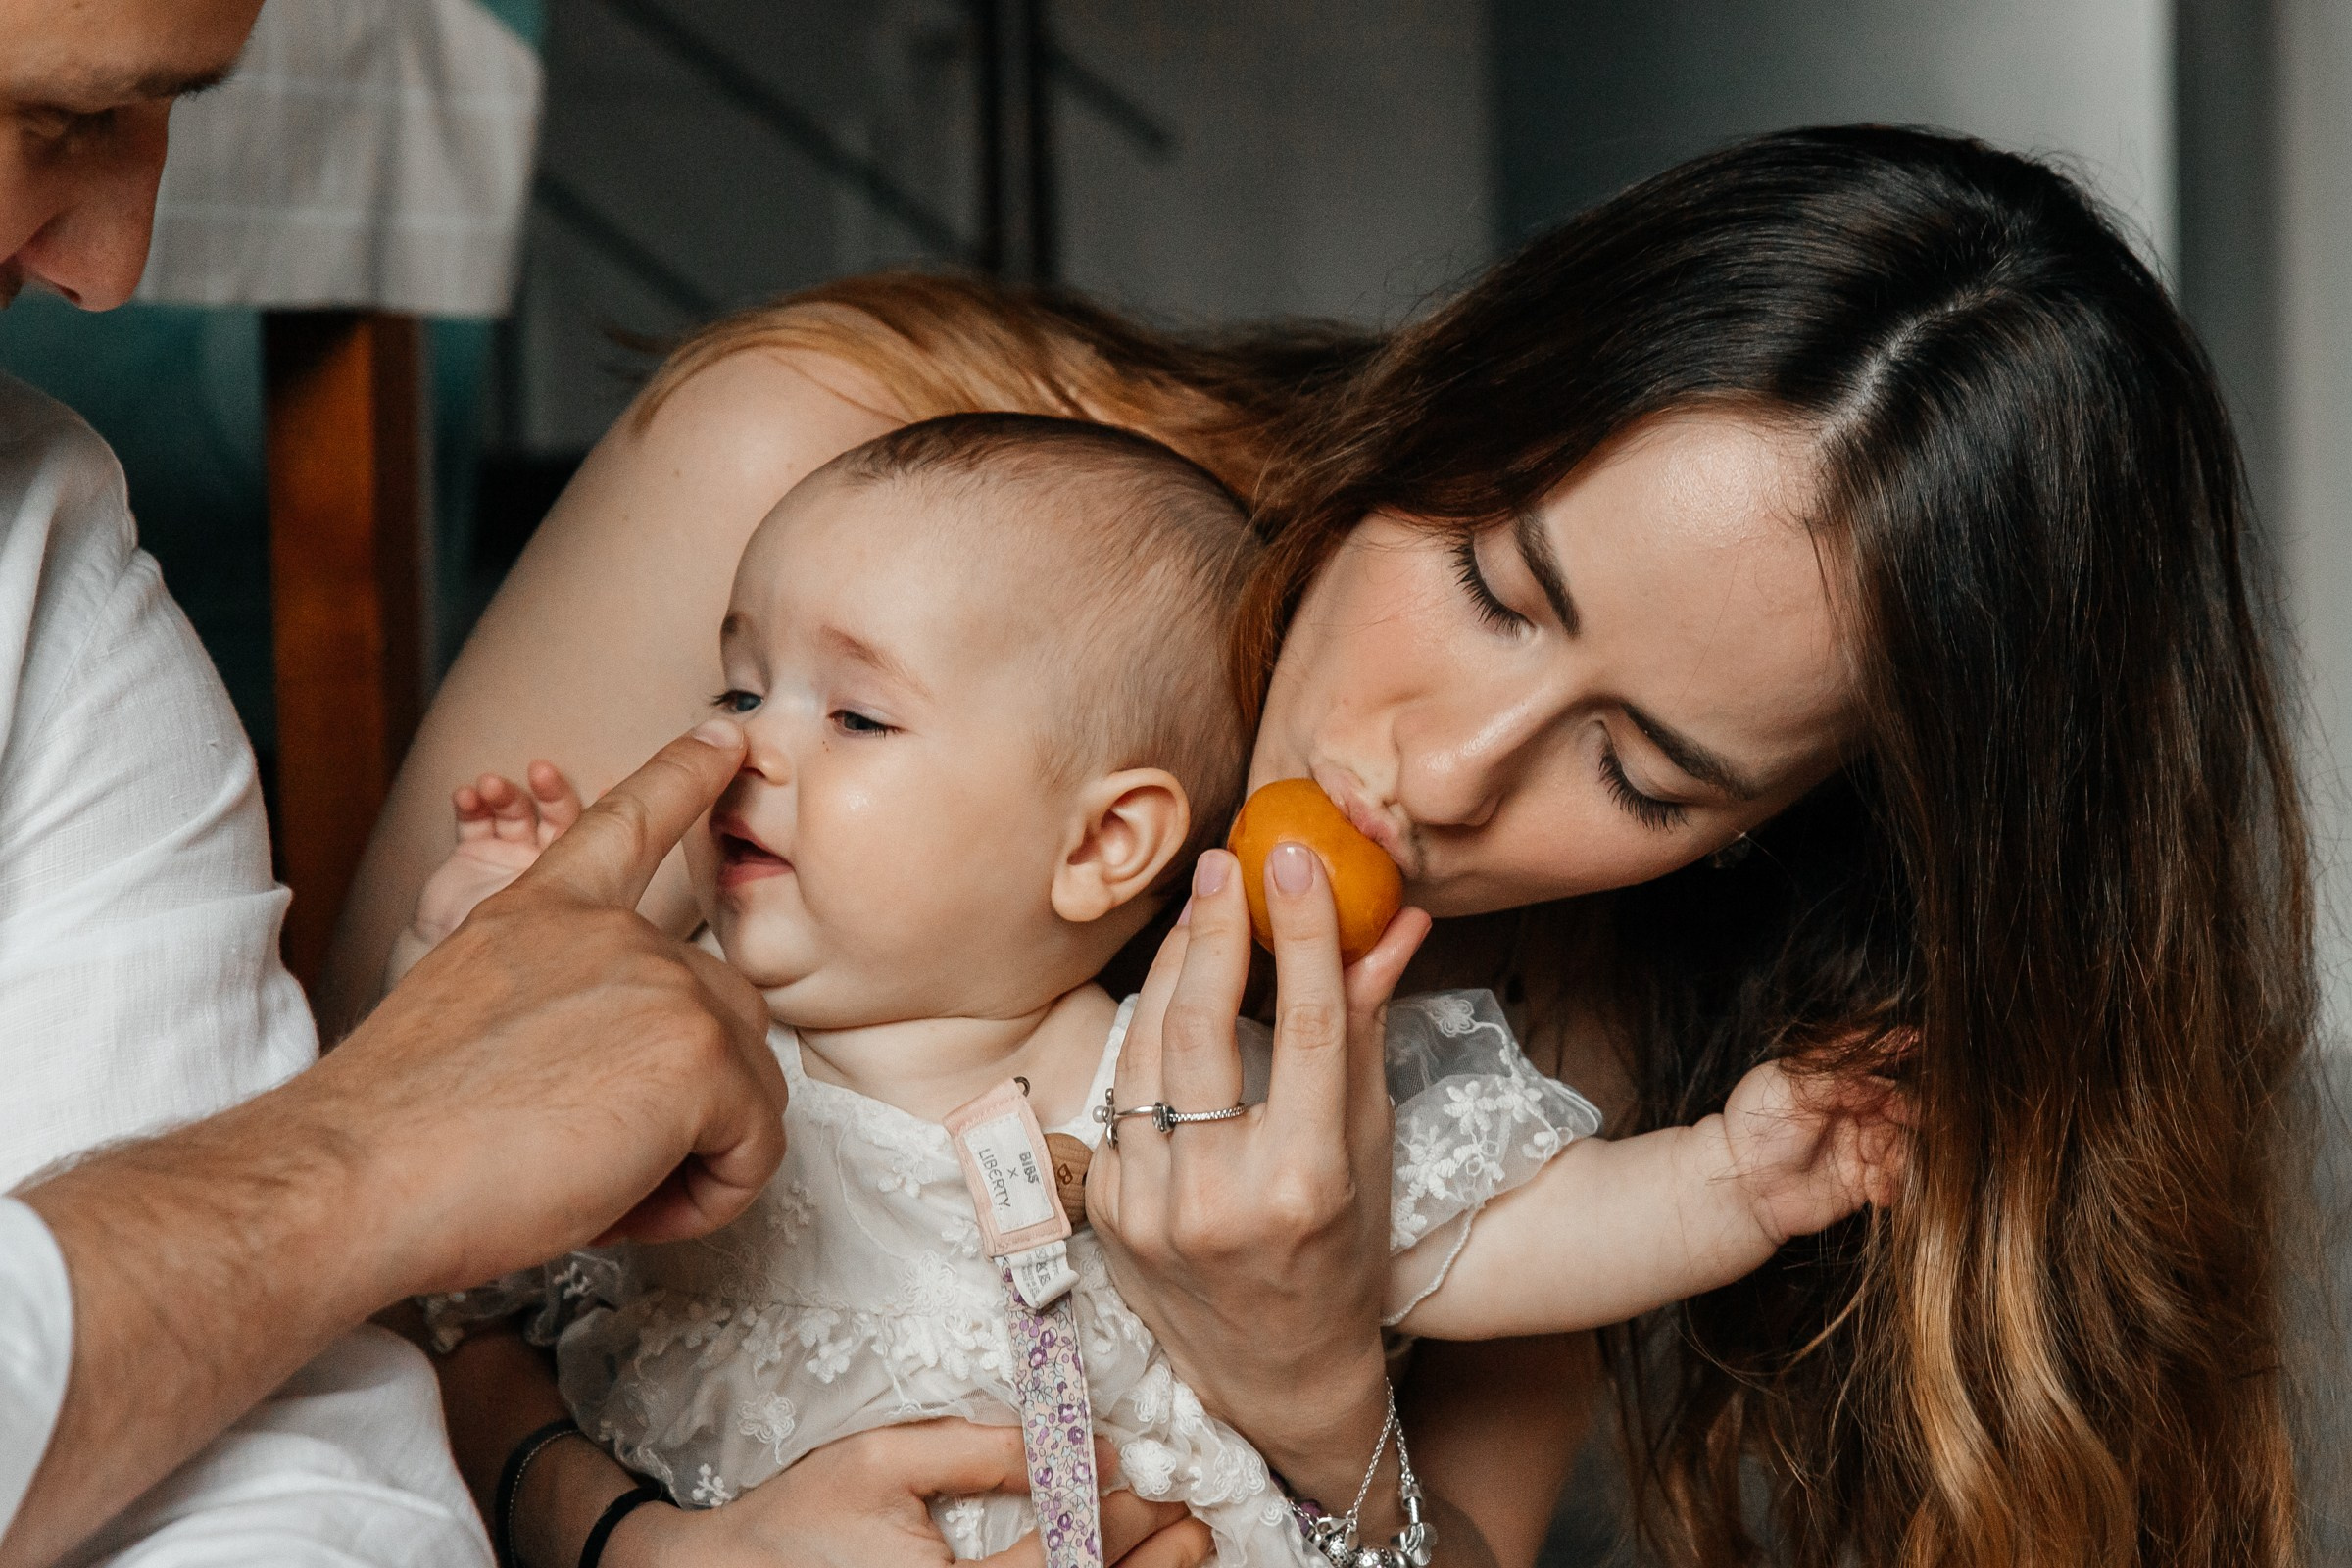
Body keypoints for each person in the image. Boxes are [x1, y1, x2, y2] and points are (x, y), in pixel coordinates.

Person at [331, 129, 2312, 1568]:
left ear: (1756, 836)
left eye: (1640, 773)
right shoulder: (823, 503)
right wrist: (633, 1543)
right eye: (1493, 585)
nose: (1442, 778)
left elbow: (1452, 1508)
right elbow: (348, 1258)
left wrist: (1306, 1390)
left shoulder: (1564, 977)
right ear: (1447, 395)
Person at [0, 5, 1196, 1567]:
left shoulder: (56, 557)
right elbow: (435, 1307)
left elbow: (275, 1447)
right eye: (53, 118)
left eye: (856, 716)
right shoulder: (719, 1080)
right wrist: (408, 1094)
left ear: (1112, 840)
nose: (112, 269)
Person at [394, 410, 1903, 1564]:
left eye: (854, 716)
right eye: (740, 686)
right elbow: (454, 1176)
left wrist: (1736, 1176)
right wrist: (486, 940)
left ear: (1102, 844)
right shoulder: (685, 1025)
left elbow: (1504, 1236)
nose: (750, 745)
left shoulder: (1176, 1083)